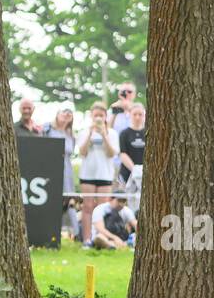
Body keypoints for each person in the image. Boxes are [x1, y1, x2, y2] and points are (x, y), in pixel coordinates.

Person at [77, 103, 119, 247]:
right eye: (96, 115)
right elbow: (82, 152)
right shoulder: (84, 132)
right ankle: (87, 239)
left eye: (101, 115)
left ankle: (101, 237)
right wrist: (90, 133)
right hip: (87, 175)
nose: (99, 118)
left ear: (106, 117)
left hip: (105, 175)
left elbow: (112, 153)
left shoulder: (112, 133)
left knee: (102, 208)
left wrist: (104, 135)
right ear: (91, 116)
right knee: (87, 207)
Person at [43, 106, 79, 240]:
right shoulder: (47, 129)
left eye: (69, 114)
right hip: (51, 167)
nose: (66, 115)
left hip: (67, 170)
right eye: (64, 112)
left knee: (67, 200)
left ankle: (73, 232)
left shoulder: (70, 134)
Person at [118, 103, 147, 211]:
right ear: (130, 115)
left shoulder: (148, 132)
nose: (137, 117)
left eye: (140, 114)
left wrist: (143, 170)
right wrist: (135, 169)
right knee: (125, 203)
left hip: (146, 173)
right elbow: (123, 153)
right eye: (135, 114)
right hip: (127, 173)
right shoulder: (124, 133)